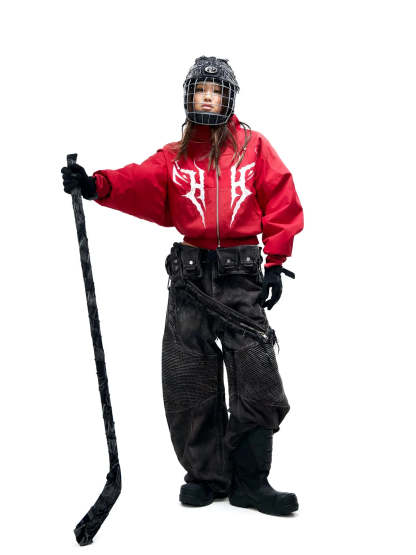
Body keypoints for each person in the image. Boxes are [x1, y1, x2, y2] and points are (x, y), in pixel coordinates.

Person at [61, 56, 304, 516]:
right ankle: (207, 475)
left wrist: (275, 261)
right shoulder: (176, 156)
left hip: (240, 275)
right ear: (189, 97)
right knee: (188, 377)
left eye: (216, 91)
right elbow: (139, 180)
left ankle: (251, 481)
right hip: (190, 277)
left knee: (257, 376)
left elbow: (281, 197)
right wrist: (95, 185)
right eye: (200, 91)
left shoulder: (254, 147)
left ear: (229, 99)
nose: (208, 98)